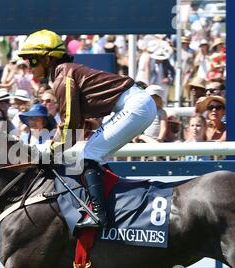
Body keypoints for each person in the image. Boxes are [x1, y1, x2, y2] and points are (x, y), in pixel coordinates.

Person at [17, 29, 156, 230]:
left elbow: (69, 125)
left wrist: (49, 151)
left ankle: (100, 214)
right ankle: (112, 203)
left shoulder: (62, 76)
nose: (28, 67)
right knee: (91, 153)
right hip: (137, 105)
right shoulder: (64, 72)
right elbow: (75, 126)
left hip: (135, 106)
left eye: (31, 60)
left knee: (91, 153)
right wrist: (56, 147)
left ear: (48, 59)